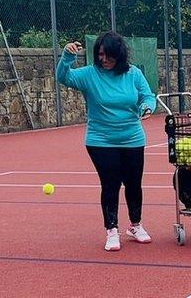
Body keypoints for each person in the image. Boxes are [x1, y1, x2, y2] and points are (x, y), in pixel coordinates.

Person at [56, 31, 157, 251]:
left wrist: (147, 107)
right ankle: (111, 230)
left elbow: (147, 95)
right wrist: (67, 57)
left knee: (133, 183)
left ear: (119, 55)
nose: (104, 59)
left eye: (109, 55)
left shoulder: (133, 74)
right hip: (100, 139)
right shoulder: (89, 75)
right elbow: (64, 77)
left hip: (132, 137)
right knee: (111, 183)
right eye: (100, 55)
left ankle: (135, 225)